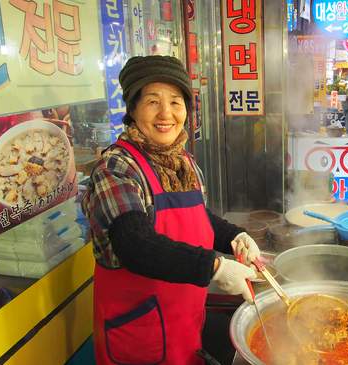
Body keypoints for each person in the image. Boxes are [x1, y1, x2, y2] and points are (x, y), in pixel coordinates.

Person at [82, 55, 260, 365]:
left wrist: (235, 236)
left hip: (184, 322)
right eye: (153, 101)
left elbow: (197, 221)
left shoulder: (183, 161)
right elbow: (135, 244)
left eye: (176, 102)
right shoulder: (116, 167)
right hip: (139, 332)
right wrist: (216, 267)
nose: (166, 113)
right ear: (133, 110)